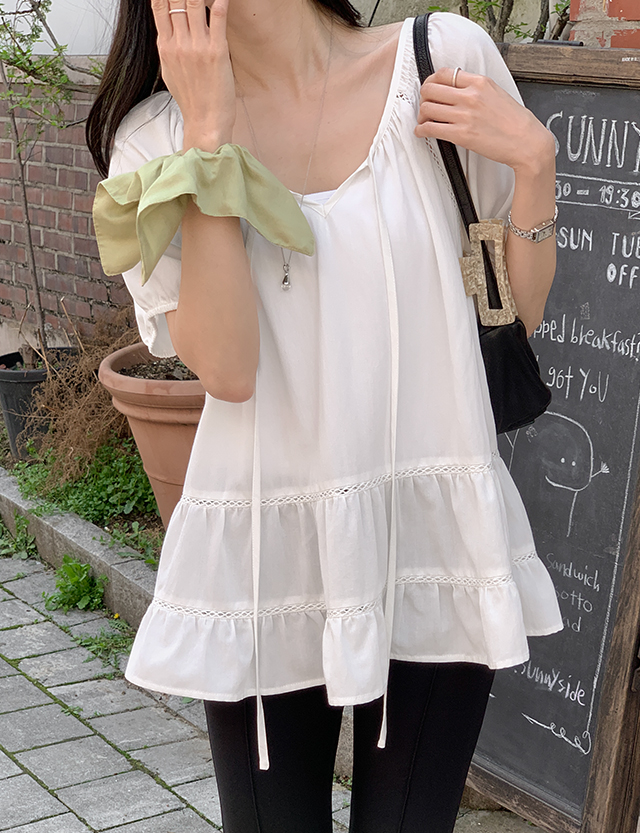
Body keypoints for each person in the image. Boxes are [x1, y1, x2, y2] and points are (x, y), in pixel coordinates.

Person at [87, 1, 564, 831]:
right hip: (265, 556)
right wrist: (209, 141)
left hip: (431, 540)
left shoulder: (440, 62)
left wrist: (534, 166)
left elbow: (507, 312)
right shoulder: (157, 141)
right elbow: (228, 368)